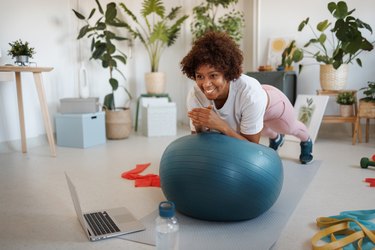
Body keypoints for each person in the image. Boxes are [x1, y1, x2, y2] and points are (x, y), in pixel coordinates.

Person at [180, 31, 313, 164]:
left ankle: (306, 141)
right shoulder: (195, 95)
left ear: (227, 73)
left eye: (213, 75)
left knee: (289, 128)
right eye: (200, 76)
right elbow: (199, 139)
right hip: (252, 106)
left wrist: (222, 126)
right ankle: (277, 139)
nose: (206, 84)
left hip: (273, 104)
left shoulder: (250, 94)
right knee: (264, 129)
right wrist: (199, 126)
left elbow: (251, 148)